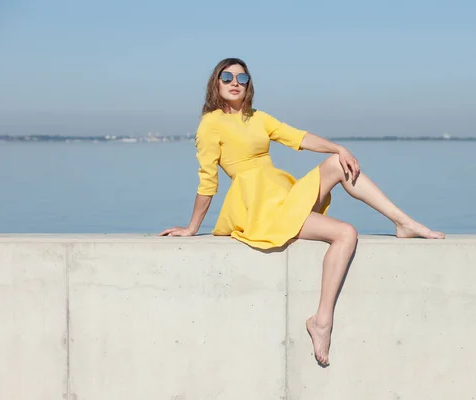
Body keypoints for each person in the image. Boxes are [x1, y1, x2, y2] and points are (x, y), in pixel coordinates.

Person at [159, 57, 445, 366]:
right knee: (346, 233)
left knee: (339, 163)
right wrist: (191, 228)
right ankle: (321, 321)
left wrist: (339, 148)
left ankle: (404, 222)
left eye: (242, 78)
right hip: (256, 205)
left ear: (248, 85)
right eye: (226, 76)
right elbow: (207, 180)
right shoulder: (211, 123)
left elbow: (298, 137)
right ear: (216, 82)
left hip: (282, 193)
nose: (234, 83)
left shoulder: (258, 117)